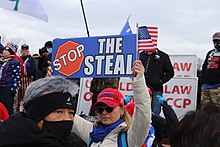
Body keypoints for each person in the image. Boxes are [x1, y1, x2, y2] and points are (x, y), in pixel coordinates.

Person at [72, 60, 152, 147]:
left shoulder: (130, 137)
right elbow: (67, 114)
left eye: (109, 108)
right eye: (100, 109)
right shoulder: (92, 132)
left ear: (122, 110)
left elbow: (143, 110)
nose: (104, 112)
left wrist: (138, 79)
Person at [0, 76, 87, 147]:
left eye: (71, 113)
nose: (67, 119)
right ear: (37, 115)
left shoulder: (75, 143)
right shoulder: (8, 140)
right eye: (59, 112)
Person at [139, 48, 174, 115]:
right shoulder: (140, 55)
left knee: (155, 112)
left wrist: (160, 80)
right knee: (141, 111)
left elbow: (170, 72)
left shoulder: (163, 56)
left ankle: (154, 125)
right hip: (142, 89)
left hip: (156, 89)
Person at [0, 45, 21, 115]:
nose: (3, 51)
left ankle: (9, 121)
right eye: (3, 50)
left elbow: (17, 75)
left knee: (8, 106)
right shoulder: (3, 62)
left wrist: (14, 87)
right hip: (1, 86)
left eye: (6, 50)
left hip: (8, 86)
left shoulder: (14, 62)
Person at [201, 32, 220, 105]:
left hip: (217, 87)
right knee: (205, 110)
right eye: (215, 41)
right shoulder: (210, 53)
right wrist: (202, 81)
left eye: (219, 41)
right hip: (206, 86)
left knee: (217, 110)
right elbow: (204, 67)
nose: (217, 43)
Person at [16, 44, 37, 112]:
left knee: (27, 98)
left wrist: (26, 71)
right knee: (18, 99)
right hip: (19, 81)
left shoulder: (31, 60)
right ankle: (18, 112)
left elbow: (34, 70)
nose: (24, 51)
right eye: (23, 50)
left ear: (28, 51)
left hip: (28, 80)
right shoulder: (18, 59)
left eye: (26, 50)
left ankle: (27, 112)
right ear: (21, 51)